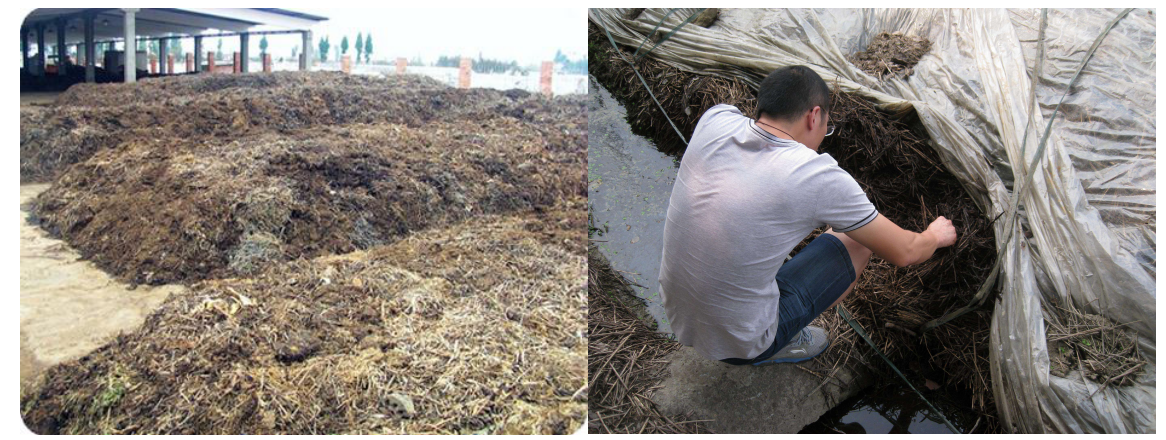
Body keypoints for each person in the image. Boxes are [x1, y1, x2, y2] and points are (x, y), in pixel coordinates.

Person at [658, 65, 957, 365]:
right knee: (856, 241)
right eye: (827, 126)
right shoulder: (815, 175)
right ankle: (779, 340)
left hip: (679, 317)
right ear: (814, 116)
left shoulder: (716, 119)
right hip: (741, 345)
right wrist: (934, 235)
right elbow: (905, 252)